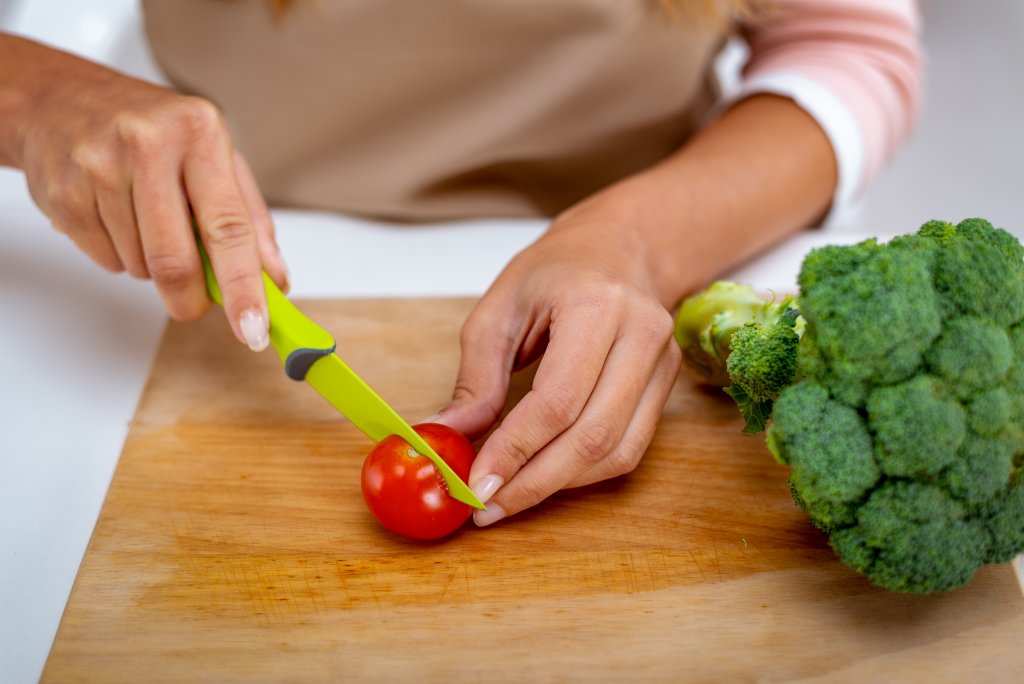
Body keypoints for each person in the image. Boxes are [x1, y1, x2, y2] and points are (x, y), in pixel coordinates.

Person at [0, 0, 921, 527]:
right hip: (178, 240)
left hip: (638, 222)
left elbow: (849, 46)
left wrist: (640, 240)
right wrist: (34, 93)